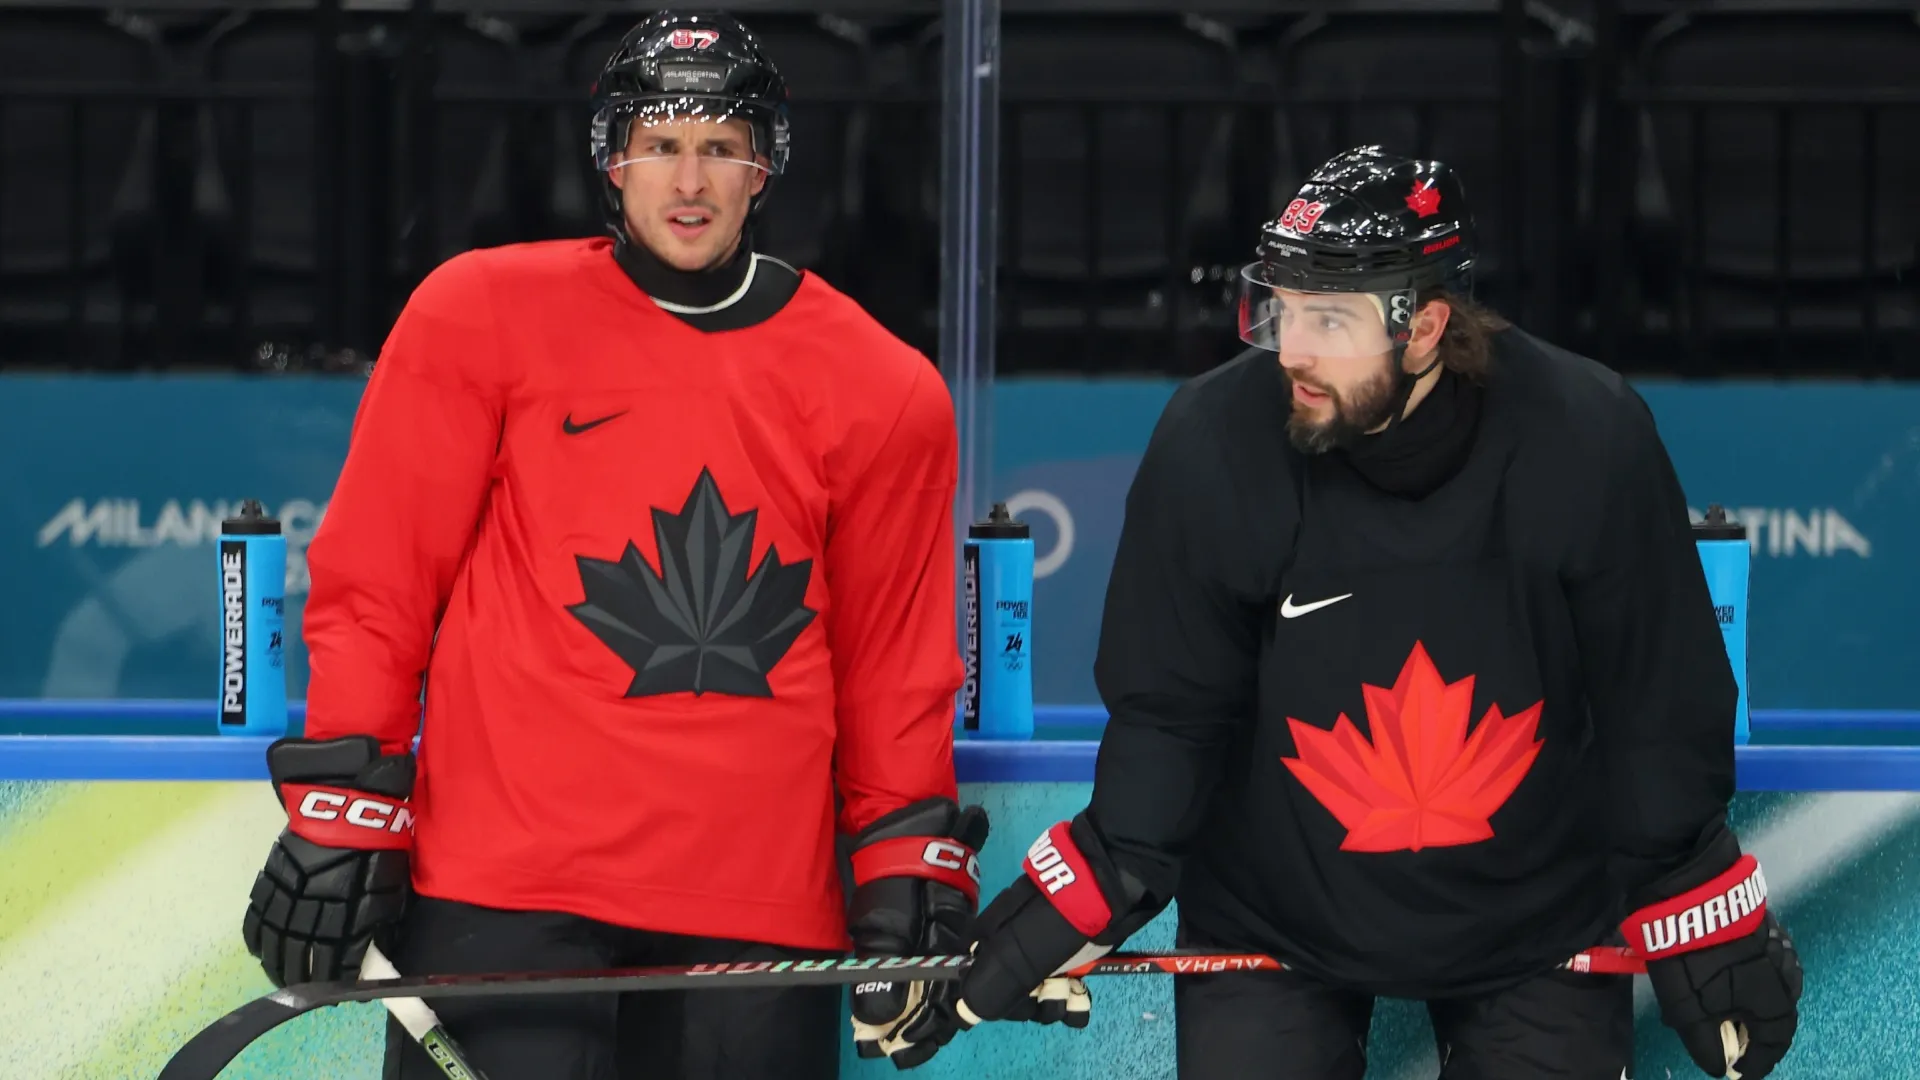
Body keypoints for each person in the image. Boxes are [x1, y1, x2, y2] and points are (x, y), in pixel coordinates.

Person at [939, 146, 1803, 1079]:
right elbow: (1173, 716)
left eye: (1328, 318)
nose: (1291, 348)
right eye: (1280, 306)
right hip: (1271, 912)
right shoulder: (1211, 443)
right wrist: (1092, 883)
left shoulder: (1588, 438)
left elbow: (1654, 707)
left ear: (1426, 325)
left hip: (1538, 910)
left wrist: (1696, 892)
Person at [239, 10, 986, 1078]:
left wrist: (909, 866)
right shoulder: (476, 315)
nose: (689, 180)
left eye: (721, 147)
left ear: (763, 166)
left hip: (755, 907)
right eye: (659, 144)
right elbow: (377, 586)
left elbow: (895, 667)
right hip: (502, 892)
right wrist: (345, 803)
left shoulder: (886, 387)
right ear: (612, 161)